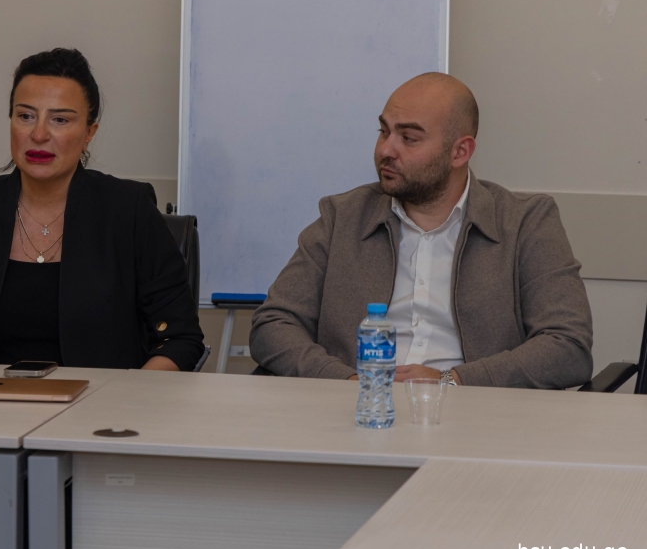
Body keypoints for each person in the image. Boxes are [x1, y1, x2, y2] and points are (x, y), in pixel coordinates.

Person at [249, 73, 592, 389]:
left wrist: (452, 380)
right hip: (358, 411)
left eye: (409, 138)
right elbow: (273, 324)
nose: (386, 150)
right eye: (384, 131)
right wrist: (346, 381)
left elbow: (567, 346)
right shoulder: (342, 217)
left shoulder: (525, 222)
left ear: (460, 152)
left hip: (476, 415)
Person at [0, 48, 205, 370]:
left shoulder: (129, 210)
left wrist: (129, 395)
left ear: (89, 133)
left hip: (102, 401)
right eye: (26, 116)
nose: (39, 134)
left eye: (60, 120)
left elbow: (180, 338)